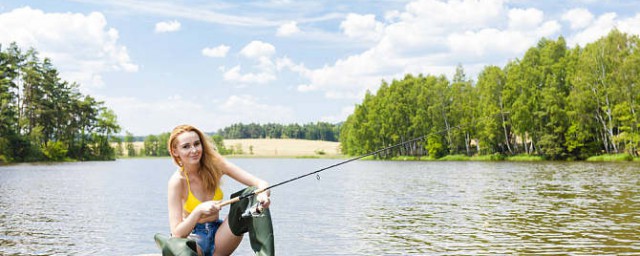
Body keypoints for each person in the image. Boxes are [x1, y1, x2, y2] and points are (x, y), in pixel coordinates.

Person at [167, 124, 270, 256]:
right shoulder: (177, 181)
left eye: (197, 144)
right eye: (186, 146)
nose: (194, 150)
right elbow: (177, 233)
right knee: (182, 246)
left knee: (247, 198)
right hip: (193, 238)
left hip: (220, 234)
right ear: (175, 151)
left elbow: (261, 183)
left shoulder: (216, 165)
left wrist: (263, 195)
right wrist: (198, 211)